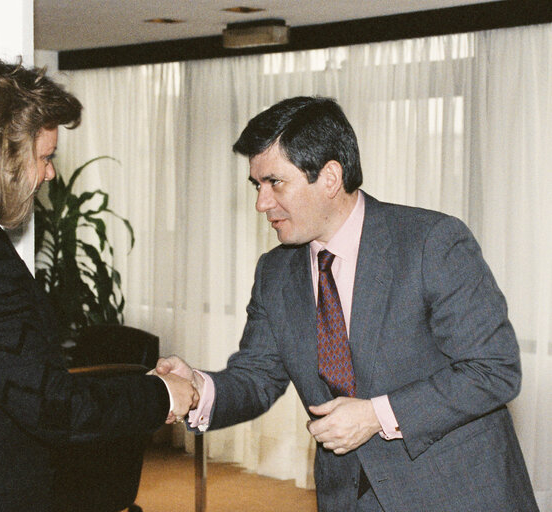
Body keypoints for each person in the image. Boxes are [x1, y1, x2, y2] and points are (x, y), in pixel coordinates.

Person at [156, 97, 538, 511]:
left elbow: (493, 369)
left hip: (454, 493)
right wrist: (198, 389)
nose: (261, 203)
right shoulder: (274, 271)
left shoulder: (431, 242)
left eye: (275, 183)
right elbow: (256, 377)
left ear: (330, 177)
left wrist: (377, 415)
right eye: (257, 186)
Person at [0, 57, 198, 511]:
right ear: (0, 154)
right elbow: (53, 407)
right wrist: (159, 393)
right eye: (44, 157)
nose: (50, 174)